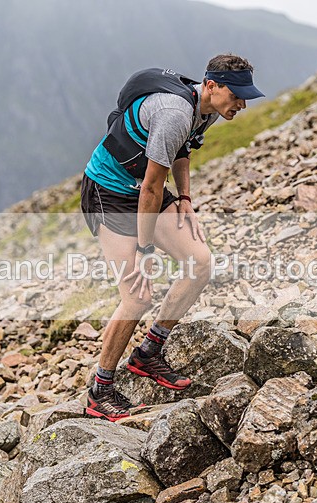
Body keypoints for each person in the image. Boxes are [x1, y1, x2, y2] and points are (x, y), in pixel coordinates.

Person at [79, 53, 265, 421]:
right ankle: (100, 391)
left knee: (200, 263)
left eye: (246, 96)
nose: (242, 104)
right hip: (111, 192)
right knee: (136, 295)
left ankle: (147, 354)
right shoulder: (174, 113)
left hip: (143, 187)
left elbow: (182, 150)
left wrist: (184, 199)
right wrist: (146, 250)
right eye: (237, 95)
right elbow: (150, 187)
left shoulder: (208, 109)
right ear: (211, 85)